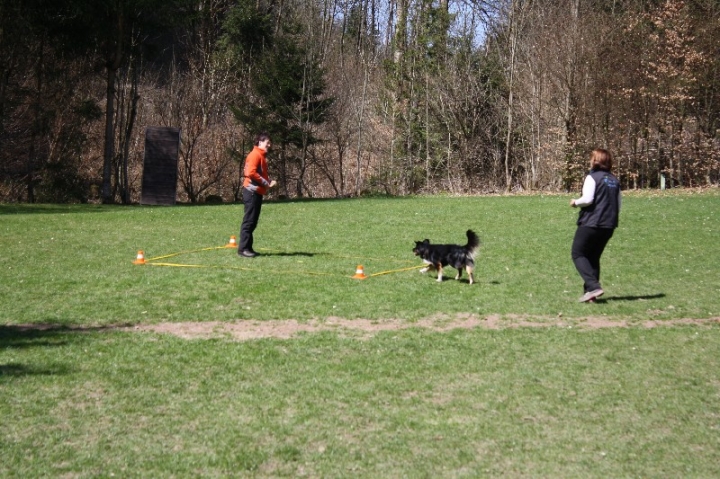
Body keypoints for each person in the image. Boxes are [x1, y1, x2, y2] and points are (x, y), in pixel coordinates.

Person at [570, 148, 621, 302]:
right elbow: (618, 205)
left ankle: (593, 286)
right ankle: (590, 294)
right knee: (593, 257)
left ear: (595, 161)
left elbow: (588, 199)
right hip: (609, 225)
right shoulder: (614, 180)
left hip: (591, 223)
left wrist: (575, 202)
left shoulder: (592, 178)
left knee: (578, 254)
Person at [238, 132, 276, 258]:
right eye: (267, 142)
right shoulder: (255, 155)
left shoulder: (261, 155)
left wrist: (268, 181)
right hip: (251, 192)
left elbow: (260, 174)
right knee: (249, 221)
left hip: (257, 192)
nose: (269, 145)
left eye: (270, 143)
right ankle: (243, 249)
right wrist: (266, 183)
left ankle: (248, 248)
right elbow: (251, 173)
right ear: (260, 142)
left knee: (253, 221)